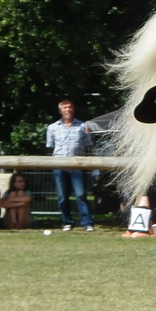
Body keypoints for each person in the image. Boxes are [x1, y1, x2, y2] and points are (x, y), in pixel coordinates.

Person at [45, 98, 96, 231]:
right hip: (59, 166)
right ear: (60, 110)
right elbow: (50, 147)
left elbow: (88, 146)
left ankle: (87, 223)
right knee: (62, 197)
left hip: (78, 166)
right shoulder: (52, 127)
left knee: (81, 195)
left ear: (73, 109)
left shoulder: (83, 126)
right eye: (65, 107)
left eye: (70, 107)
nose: (68, 110)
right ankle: (67, 221)